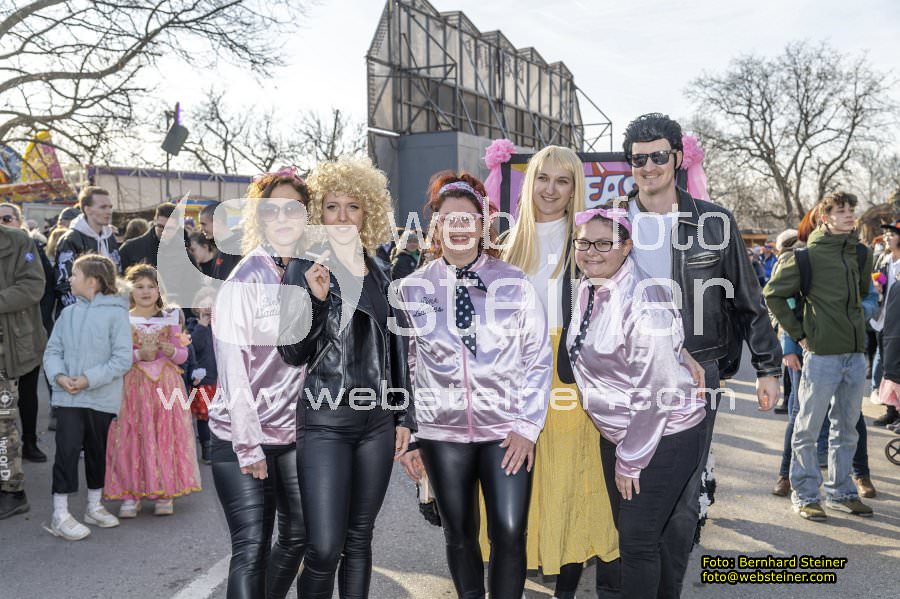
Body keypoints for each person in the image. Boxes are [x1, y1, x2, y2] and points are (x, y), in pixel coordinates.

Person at [621, 113, 782, 590]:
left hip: (696, 371)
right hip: (625, 370)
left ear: (677, 158)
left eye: (657, 156)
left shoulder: (714, 222)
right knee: (625, 482)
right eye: (638, 159)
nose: (648, 167)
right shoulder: (613, 219)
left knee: (682, 494)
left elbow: (749, 299)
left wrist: (768, 368)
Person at [396, 173, 552, 599]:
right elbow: (407, 367)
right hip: (441, 435)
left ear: (483, 225)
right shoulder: (412, 289)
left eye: (468, 218)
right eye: (450, 218)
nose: (459, 226)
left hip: (506, 433)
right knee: (460, 533)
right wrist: (412, 437)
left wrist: (527, 426)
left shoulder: (514, 283)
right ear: (436, 226)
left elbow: (537, 358)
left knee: (510, 530)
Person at [277, 156, 413, 598]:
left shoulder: (381, 269)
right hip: (325, 422)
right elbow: (292, 353)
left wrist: (404, 416)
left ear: (367, 212)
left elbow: (396, 348)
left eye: (352, 206)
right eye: (331, 206)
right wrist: (316, 302)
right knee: (323, 547)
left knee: (359, 540)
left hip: (377, 423)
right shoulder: (303, 267)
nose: (341, 217)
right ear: (318, 213)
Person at [497, 145, 620, 598]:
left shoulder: (586, 243)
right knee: (518, 483)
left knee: (570, 483)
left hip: (569, 376)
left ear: (574, 189)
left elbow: (625, 299)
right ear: (529, 183)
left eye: (562, 181)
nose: (550, 189)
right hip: (513, 378)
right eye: (543, 178)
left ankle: (565, 591)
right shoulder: (507, 244)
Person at [565, 207, 705, 597]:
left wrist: (631, 458)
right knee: (643, 537)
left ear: (626, 247)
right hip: (621, 433)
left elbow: (656, 391)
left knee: (638, 543)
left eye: (604, 244)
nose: (591, 252)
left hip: (661, 437)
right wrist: (680, 350)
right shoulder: (590, 286)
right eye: (583, 243)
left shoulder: (641, 299)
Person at [209, 168, 310, 599]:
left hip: (292, 434)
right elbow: (233, 368)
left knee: (299, 534)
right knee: (251, 549)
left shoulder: (309, 272)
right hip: (240, 436)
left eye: (294, 209)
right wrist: (248, 444)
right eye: (273, 210)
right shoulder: (246, 278)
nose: (283, 218)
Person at [765, 191, 874, 521]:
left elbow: (865, 296)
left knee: (847, 430)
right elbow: (773, 295)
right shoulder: (804, 257)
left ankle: (841, 492)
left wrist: (863, 316)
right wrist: (799, 335)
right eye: (841, 211)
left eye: (851, 210)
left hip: (855, 355)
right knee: (807, 429)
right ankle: (805, 495)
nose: (849, 215)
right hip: (822, 356)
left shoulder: (861, 253)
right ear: (825, 217)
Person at [42, 254, 132, 539]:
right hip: (68, 398)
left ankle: (94, 506)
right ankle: (60, 513)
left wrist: (88, 379)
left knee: (97, 452)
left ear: (92, 281)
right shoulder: (67, 314)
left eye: (74, 274)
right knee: (66, 451)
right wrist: (60, 376)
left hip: (101, 397)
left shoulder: (117, 314)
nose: (69, 279)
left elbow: (122, 359)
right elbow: (52, 351)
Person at [103, 264, 201, 517]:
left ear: (159, 290)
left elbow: (182, 355)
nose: (146, 291)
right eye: (139, 286)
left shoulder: (170, 318)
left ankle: (164, 491)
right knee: (131, 435)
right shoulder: (122, 319)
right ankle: (130, 493)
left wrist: (172, 351)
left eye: (151, 286)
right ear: (129, 290)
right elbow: (115, 356)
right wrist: (138, 355)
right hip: (132, 387)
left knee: (163, 435)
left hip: (165, 386)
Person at [0, 223, 47, 519]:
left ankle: (12, 491)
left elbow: (33, 286)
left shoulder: (18, 242)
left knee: (3, 425)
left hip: (6, 350)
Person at [0, 203, 53, 462]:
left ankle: (29, 441)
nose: (4, 221)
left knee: (27, 394)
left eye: (7, 217)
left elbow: (36, 286)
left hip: (23, 334)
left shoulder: (22, 243)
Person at [55, 186, 121, 306]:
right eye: (103, 207)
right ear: (87, 210)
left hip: (108, 307)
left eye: (110, 207)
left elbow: (117, 273)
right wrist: (82, 310)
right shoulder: (71, 239)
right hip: (80, 310)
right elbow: (63, 282)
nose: (109, 211)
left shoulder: (109, 237)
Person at [872, 220, 900, 428]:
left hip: (897, 321)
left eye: (893, 234)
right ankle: (891, 410)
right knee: (887, 365)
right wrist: (876, 287)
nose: (887, 237)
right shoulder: (883, 259)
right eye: (887, 234)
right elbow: (878, 281)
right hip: (882, 320)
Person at [119, 204, 176, 271]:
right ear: (154, 222)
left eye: (169, 228)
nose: (164, 232)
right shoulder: (129, 248)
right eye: (161, 227)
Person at [199, 200, 242, 279]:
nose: (201, 229)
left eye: (204, 224)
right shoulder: (221, 247)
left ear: (217, 221)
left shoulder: (237, 248)